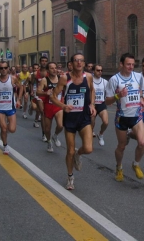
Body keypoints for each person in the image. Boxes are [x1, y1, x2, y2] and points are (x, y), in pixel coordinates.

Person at [50, 53, 96, 190]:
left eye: (81, 60)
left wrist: (92, 104)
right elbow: (53, 97)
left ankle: (79, 153)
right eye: (76, 60)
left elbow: (92, 90)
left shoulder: (88, 77)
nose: (79, 63)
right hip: (70, 119)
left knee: (88, 148)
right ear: (71, 63)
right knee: (69, 151)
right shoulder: (65, 78)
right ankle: (70, 177)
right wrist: (63, 106)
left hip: (84, 118)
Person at [105, 53, 144, 182]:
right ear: (121, 64)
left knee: (142, 142)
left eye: (133, 64)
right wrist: (118, 96)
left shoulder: (138, 76)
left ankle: (136, 164)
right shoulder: (114, 80)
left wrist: (141, 98)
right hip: (122, 117)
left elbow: (140, 90)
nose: (131, 67)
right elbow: (107, 101)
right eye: (128, 64)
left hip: (136, 116)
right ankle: (119, 167)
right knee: (121, 146)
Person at [36, 62, 63, 153]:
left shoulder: (61, 78)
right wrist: (45, 93)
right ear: (48, 70)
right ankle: (49, 141)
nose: (54, 69)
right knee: (47, 129)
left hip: (58, 105)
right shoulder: (44, 80)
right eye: (52, 68)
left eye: (55, 68)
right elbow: (37, 92)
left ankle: (55, 135)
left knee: (60, 125)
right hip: (48, 106)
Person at [31, 56, 49, 141]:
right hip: (39, 94)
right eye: (42, 61)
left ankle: (47, 131)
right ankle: (44, 133)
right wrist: (31, 91)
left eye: (46, 61)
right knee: (43, 113)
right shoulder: (35, 74)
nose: (44, 62)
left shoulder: (50, 72)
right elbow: (32, 83)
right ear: (40, 62)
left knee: (48, 115)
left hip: (48, 95)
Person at [91, 64, 109, 146]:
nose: (100, 72)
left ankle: (100, 134)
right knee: (92, 123)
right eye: (98, 70)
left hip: (101, 103)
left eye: (101, 70)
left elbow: (109, 93)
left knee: (105, 122)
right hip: (92, 105)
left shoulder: (105, 82)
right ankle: (89, 136)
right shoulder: (90, 81)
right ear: (93, 71)